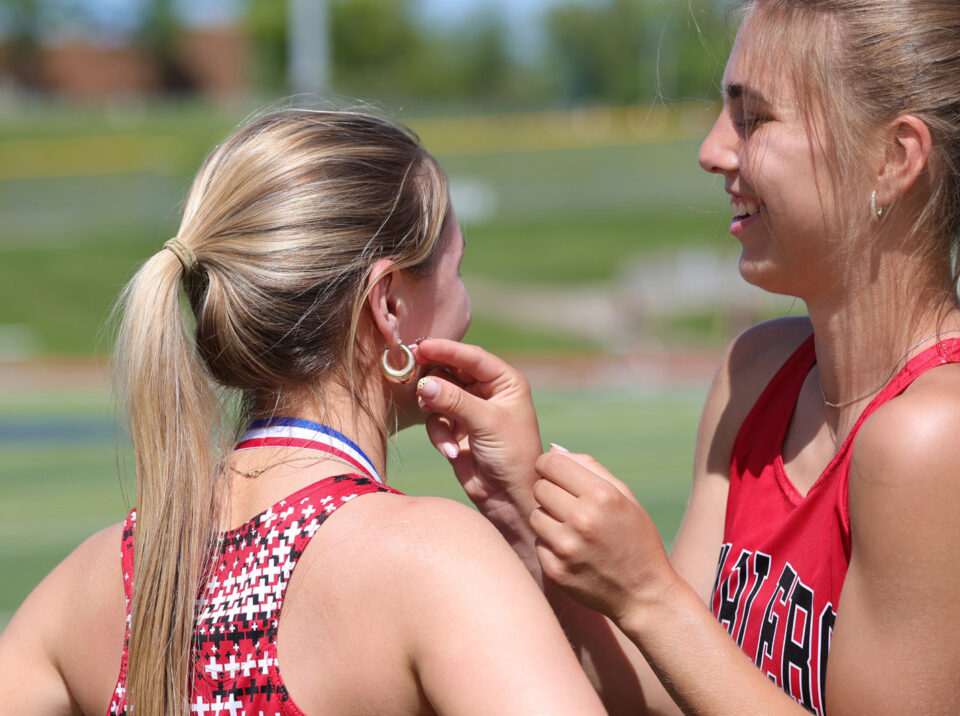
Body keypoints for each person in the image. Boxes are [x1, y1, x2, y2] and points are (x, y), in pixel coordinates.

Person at [413, 0, 960, 713]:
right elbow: (672, 691)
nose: (712, 150)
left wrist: (648, 594)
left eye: (753, 117)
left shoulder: (942, 433)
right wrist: (524, 505)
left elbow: (669, 628)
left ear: (894, 159)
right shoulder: (757, 371)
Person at [0, 109, 606, 715]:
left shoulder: (94, 582)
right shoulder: (437, 561)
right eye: (457, 269)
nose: (467, 302)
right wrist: (529, 525)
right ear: (389, 302)